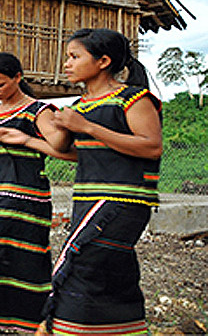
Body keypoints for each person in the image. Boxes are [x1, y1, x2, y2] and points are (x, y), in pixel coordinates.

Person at [38, 29, 163, 335]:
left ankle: (56, 328)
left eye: (74, 56)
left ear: (103, 61)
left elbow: (151, 146)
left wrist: (88, 127)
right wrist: (26, 138)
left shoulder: (132, 98)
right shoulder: (80, 106)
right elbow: (80, 154)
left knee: (77, 264)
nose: (67, 64)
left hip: (123, 200)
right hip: (88, 200)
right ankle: (124, 329)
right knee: (109, 271)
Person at [0, 53, 75, 333]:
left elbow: (64, 150)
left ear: (18, 78)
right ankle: (25, 323)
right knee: (17, 256)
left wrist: (23, 139)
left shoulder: (37, 110)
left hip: (25, 192)